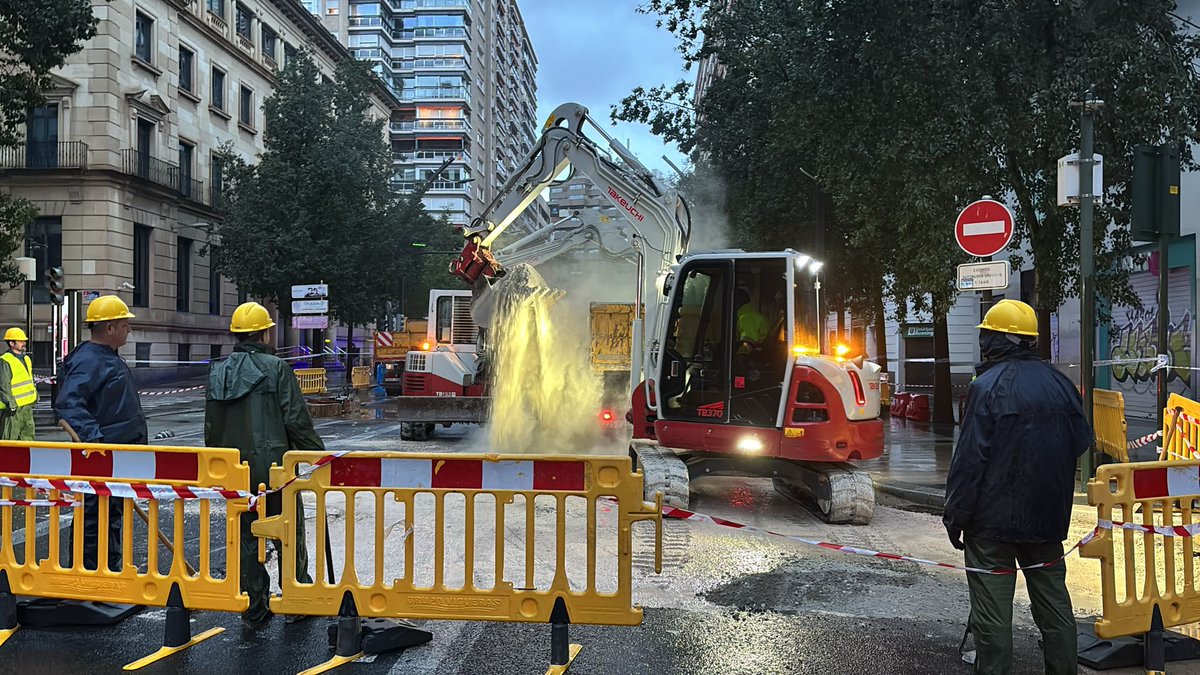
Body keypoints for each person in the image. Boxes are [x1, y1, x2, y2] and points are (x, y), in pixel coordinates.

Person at [943, 299, 1091, 675]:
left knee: (993, 615)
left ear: (999, 339)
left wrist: (955, 516)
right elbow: (1081, 442)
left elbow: (970, 461)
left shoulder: (987, 387)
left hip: (990, 524)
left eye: (987, 335)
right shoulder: (1061, 384)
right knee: (1055, 606)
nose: (984, 342)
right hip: (1046, 521)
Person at [205, 301, 324, 627]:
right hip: (275, 470)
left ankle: (254, 606)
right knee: (287, 533)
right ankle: (296, 600)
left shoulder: (217, 371)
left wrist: (217, 463)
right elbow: (297, 421)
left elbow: (211, 428)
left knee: (246, 537)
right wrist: (318, 456)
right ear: (265, 333)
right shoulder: (276, 368)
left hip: (235, 470)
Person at [55, 295, 146, 572]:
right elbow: (68, 403)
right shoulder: (91, 361)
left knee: (109, 516)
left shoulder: (104, 358)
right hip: (102, 459)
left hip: (115, 459)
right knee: (96, 519)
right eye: (123, 324)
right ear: (109, 328)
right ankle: (92, 577)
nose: (128, 329)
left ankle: (106, 573)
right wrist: (96, 443)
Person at [0, 327, 38, 440]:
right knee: (10, 440)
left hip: (27, 407)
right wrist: (11, 403)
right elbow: (4, 385)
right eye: (20, 341)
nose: (24, 343)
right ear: (11, 343)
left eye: (24, 340)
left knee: (28, 440)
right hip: (14, 410)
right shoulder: (5, 360)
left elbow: (29, 380)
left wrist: (35, 395)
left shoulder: (26, 358)